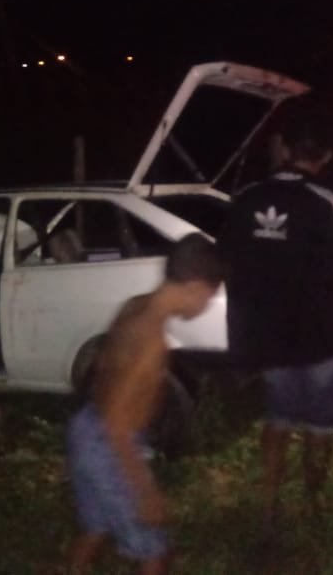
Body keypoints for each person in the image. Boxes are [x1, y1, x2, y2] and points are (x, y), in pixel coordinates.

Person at [218, 99, 333, 529]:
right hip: (321, 338)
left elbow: (229, 264)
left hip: (269, 339)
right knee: (321, 426)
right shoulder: (328, 202)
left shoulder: (245, 199)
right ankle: (314, 504)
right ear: (326, 155)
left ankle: (269, 506)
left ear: (284, 149)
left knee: (277, 419)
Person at [66, 234, 226, 574]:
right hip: (108, 445)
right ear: (195, 288)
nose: (207, 305)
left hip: (85, 426)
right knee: (154, 552)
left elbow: (103, 368)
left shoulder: (135, 306)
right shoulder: (152, 343)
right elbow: (117, 427)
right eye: (209, 297)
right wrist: (146, 490)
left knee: (95, 528)